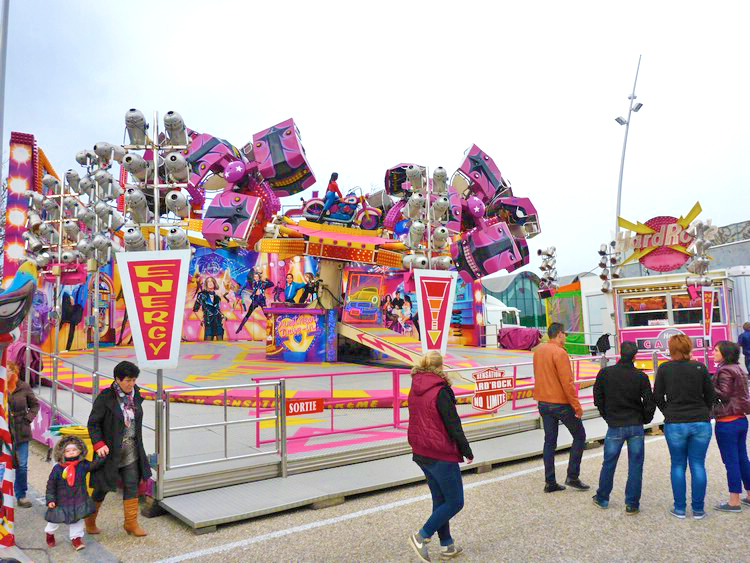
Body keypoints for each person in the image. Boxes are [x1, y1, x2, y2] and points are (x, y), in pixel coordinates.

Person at [407, 351, 472, 562]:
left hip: (421, 450)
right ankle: (422, 535)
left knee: (440, 500)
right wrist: (466, 450)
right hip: (441, 451)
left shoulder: (415, 386)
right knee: (455, 502)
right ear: (441, 367)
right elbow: (453, 424)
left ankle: (447, 545)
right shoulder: (441, 391)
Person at [86, 361, 151, 537]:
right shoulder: (105, 397)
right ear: (117, 379)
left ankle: (130, 523)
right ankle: (90, 520)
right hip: (110, 452)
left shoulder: (135, 395)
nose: (131, 384)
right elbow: (93, 424)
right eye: (128, 380)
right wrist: (99, 444)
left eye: (134, 380)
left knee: (132, 485)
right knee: (102, 487)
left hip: (131, 449)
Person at [653, 334, 715, 519]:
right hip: (700, 421)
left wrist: (667, 411)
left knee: (678, 465)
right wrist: (704, 410)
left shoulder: (665, 369)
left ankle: (679, 508)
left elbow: (657, 395)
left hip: (676, 421)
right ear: (689, 348)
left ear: (671, 349)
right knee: (698, 465)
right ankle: (698, 509)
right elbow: (710, 395)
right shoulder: (700, 367)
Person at [592, 341, 656, 513]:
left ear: (620, 353)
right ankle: (632, 503)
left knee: (609, 462)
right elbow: (649, 402)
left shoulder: (605, 373)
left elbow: (598, 397)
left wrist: (607, 415)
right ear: (635, 356)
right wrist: (645, 418)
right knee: (635, 465)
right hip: (635, 423)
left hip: (615, 423)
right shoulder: (640, 376)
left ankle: (603, 497)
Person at [533, 322, 589, 492]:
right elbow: (568, 383)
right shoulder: (560, 353)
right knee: (579, 436)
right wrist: (576, 406)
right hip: (560, 403)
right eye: (564, 334)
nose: (565, 336)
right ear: (559, 334)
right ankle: (572, 475)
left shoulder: (538, 351)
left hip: (543, 402)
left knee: (549, 442)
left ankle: (550, 481)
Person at [710, 341, 750, 512]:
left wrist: (708, 386)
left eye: (716, 350)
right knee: (742, 459)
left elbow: (724, 394)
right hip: (740, 419)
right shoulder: (739, 368)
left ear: (725, 353)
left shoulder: (725, 370)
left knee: (731, 461)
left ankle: (733, 501)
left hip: (727, 420)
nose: (713, 352)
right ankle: (749, 494)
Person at [44, 436, 104, 551]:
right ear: (62, 453)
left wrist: (101, 456)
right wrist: (51, 500)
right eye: (67, 451)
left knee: (78, 520)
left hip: (79, 499)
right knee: (54, 520)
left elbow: (94, 465)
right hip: (61, 501)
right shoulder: (57, 469)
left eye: (74, 450)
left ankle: (76, 539)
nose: (71, 452)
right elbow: (51, 485)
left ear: (80, 451)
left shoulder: (82, 465)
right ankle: (49, 534)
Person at [8, 361, 39, 509]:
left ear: (14, 371)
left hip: (21, 429)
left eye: (9, 370)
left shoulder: (23, 386)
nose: (6, 373)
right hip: (4, 430)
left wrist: (28, 419)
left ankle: (21, 495)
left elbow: (34, 405)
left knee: (22, 465)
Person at [192, 276, 225, 341]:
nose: (210, 283)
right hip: (208, 322)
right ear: (206, 284)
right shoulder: (201, 295)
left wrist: (222, 316)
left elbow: (218, 309)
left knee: (221, 344)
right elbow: (195, 309)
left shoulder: (217, 296)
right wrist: (201, 319)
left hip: (218, 322)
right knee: (208, 345)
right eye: (208, 282)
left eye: (211, 281)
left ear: (214, 283)